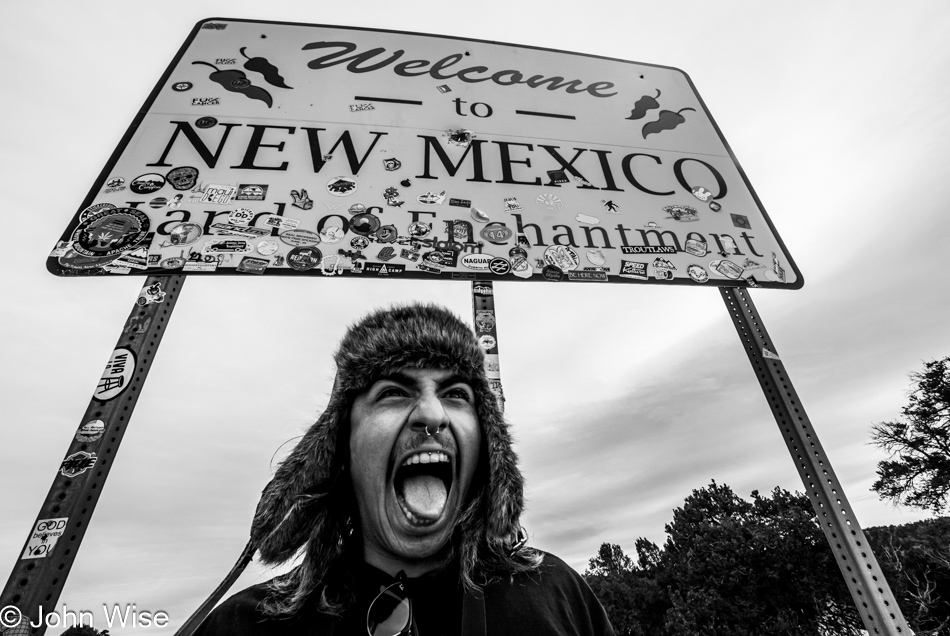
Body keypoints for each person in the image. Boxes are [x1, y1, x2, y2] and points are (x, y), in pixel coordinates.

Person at [193, 303, 615, 636]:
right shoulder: (247, 625)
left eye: (456, 394)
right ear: (342, 446)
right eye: (393, 392)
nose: (432, 413)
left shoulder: (556, 596)